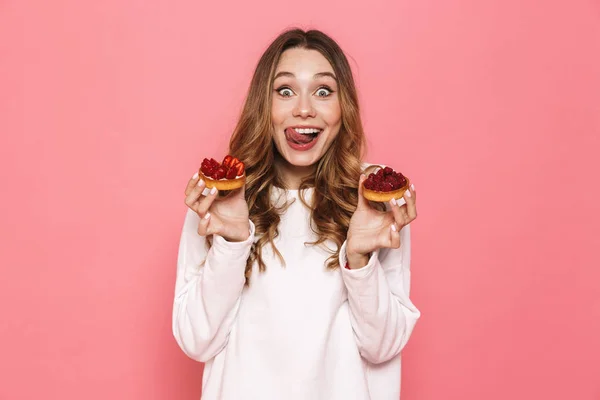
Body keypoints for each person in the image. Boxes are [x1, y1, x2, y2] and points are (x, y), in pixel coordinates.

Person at [172, 28, 420, 400]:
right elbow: (196, 340)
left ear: (343, 107)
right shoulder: (222, 199)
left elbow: (382, 348)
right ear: (264, 105)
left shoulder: (372, 201)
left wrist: (359, 258)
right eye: (284, 91)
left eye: (323, 91)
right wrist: (232, 244)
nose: (304, 108)